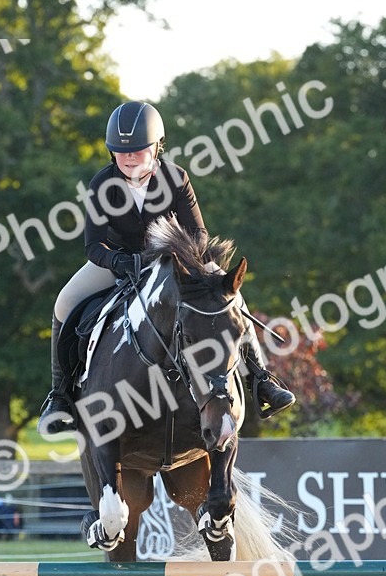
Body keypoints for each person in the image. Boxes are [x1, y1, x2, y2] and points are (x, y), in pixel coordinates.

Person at [37, 100, 295, 436]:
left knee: (229, 292)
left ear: (157, 146)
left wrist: (176, 256)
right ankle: (60, 398)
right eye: (120, 152)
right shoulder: (103, 184)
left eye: (138, 151)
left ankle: (262, 380)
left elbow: (198, 233)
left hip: (174, 263)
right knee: (64, 302)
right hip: (120, 263)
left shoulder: (176, 178)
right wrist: (118, 261)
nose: (128, 158)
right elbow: (93, 245)